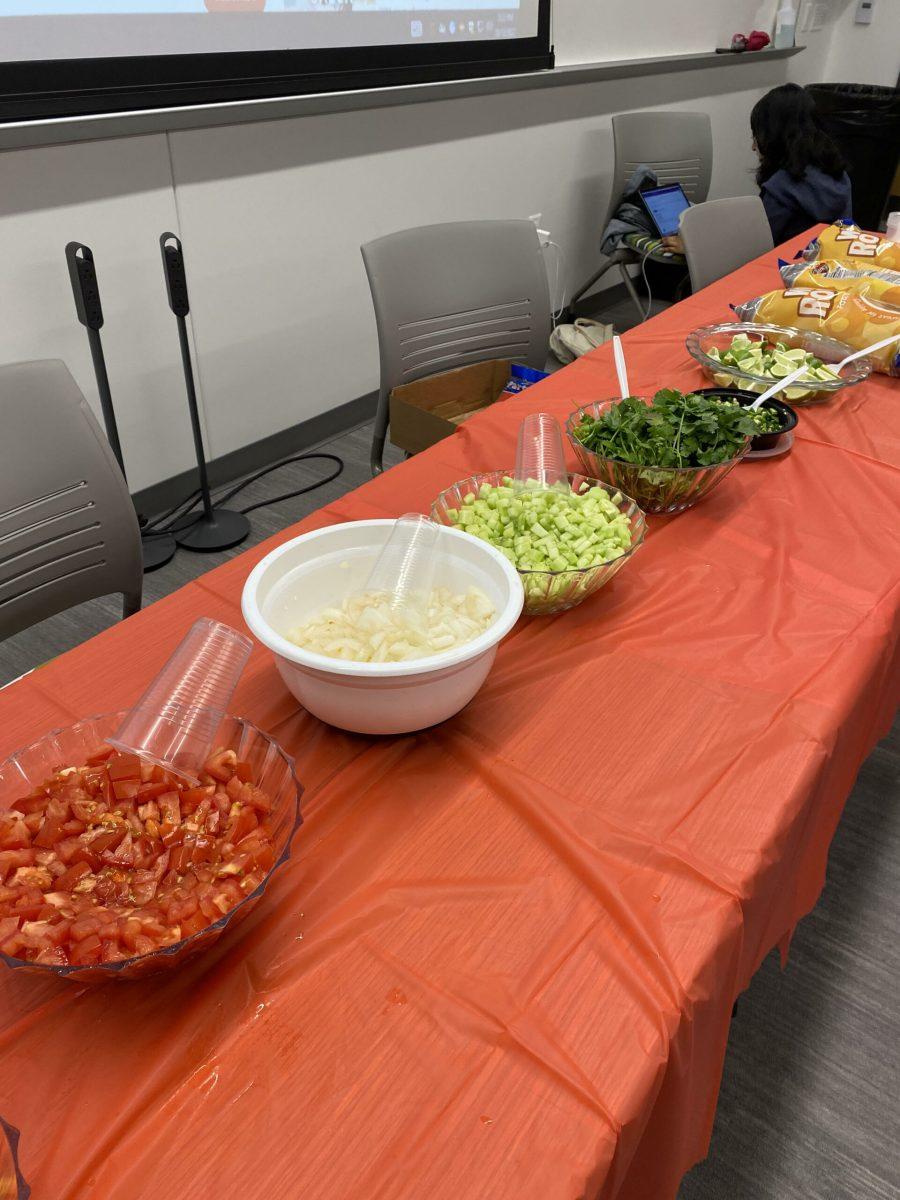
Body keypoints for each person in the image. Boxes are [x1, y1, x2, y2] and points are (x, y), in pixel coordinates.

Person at [661, 83, 852, 253]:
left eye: (756, 136)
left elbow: (750, 249)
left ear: (775, 137)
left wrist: (694, 248)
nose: (753, 146)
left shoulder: (783, 188)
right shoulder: (837, 174)